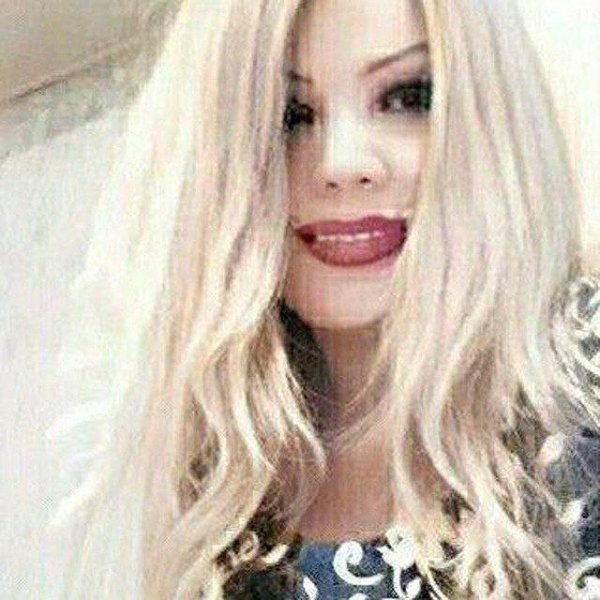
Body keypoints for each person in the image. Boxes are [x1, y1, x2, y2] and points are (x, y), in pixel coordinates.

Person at [47, 0, 600, 598]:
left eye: (407, 97)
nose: (342, 164)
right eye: (289, 115)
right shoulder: (226, 489)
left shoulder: (582, 386)